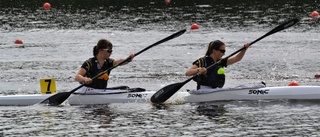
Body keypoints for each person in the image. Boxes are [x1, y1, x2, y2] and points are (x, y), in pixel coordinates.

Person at [185, 40, 250, 90]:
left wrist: (244, 49)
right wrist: (198, 70)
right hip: (203, 90)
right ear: (214, 50)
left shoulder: (221, 61)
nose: (223, 54)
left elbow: (237, 58)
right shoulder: (203, 61)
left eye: (224, 51)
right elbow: (188, 73)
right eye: (222, 51)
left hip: (216, 90)